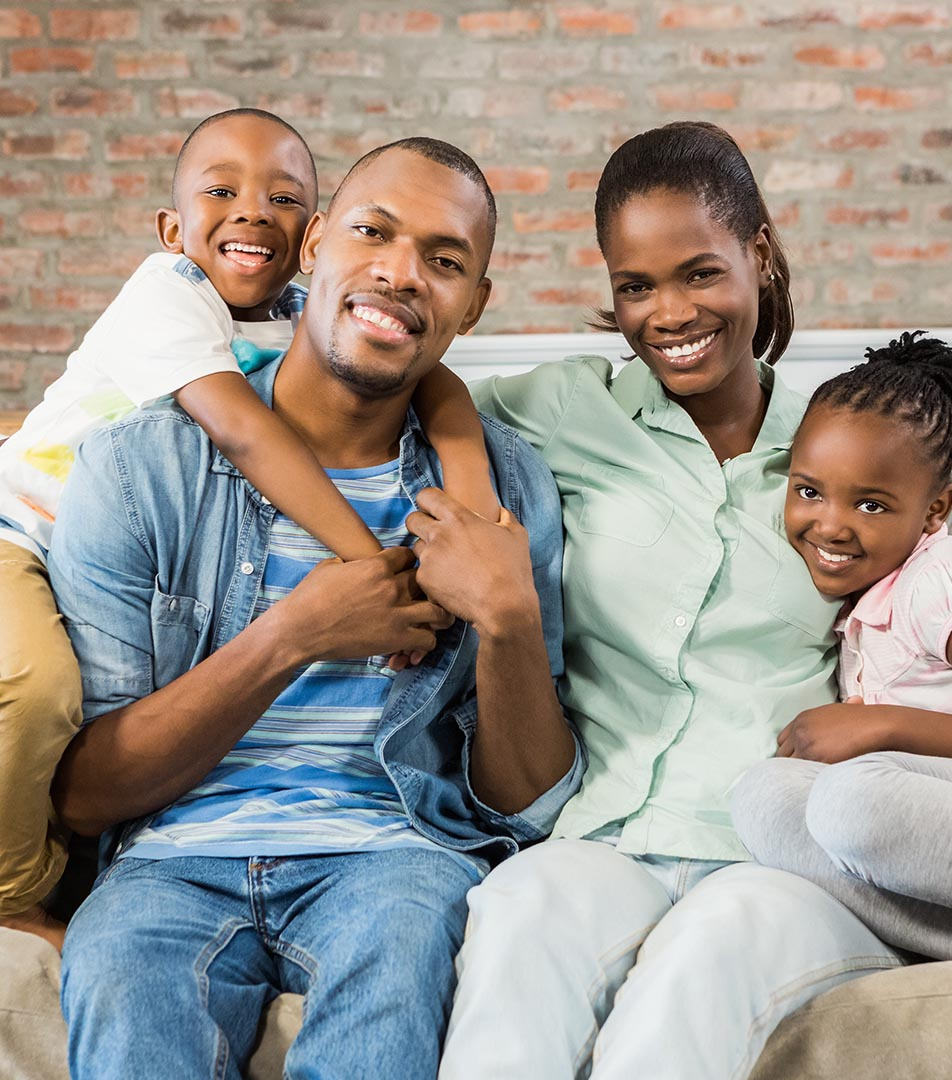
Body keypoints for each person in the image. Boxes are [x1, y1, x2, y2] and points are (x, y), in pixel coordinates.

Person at [438, 121, 952, 1079]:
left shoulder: (846, 448)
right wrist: (460, 473)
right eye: (635, 286)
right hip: (604, 835)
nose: (669, 312)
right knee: (518, 916)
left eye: (700, 272)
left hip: (778, 856)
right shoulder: (566, 411)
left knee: (706, 959)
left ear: (759, 255)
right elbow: (421, 391)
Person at [48, 137, 584, 1078]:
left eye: (445, 260)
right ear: (315, 245)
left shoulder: (506, 488)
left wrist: (508, 617)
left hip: (396, 857)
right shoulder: (139, 468)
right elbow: (91, 794)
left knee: (402, 958)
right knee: (124, 985)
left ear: (475, 302)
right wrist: (294, 635)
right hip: (169, 864)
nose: (400, 272)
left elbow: (524, 803)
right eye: (373, 232)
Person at [0, 109, 497, 951]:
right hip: (21, 529)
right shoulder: (168, 293)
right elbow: (242, 430)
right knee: (33, 687)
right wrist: (373, 568)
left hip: (94, 553)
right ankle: (16, 891)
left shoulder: (306, 309)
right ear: (171, 227)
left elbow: (435, 381)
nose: (252, 210)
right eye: (221, 191)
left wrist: (475, 494)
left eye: (283, 195)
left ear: (311, 234)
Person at [730, 330, 952, 960]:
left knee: (854, 798)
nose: (830, 524)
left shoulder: (945, 586)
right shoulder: (865, 603)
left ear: (934, 511)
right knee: (762, 798)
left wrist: (880, 727)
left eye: (870, 504)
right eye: (808, 491)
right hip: (936, 826)